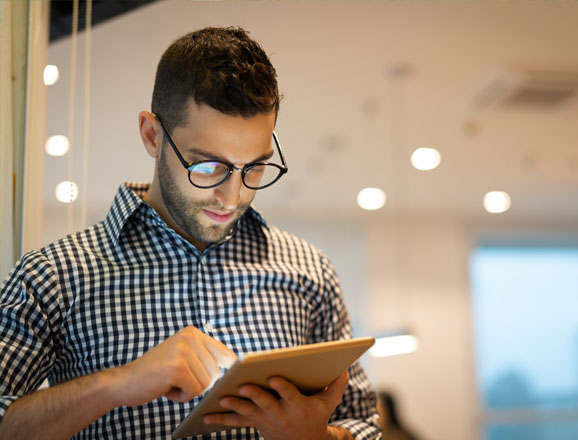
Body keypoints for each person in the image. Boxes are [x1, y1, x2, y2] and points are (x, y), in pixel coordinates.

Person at [0, 27, 380, 439]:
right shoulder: (53, 276)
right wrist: (116, 384)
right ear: (152, 135)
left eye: (254, 167)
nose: (232, 196)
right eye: (207, 166)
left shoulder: (310, 270)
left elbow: (364, 424)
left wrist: (320, 438)